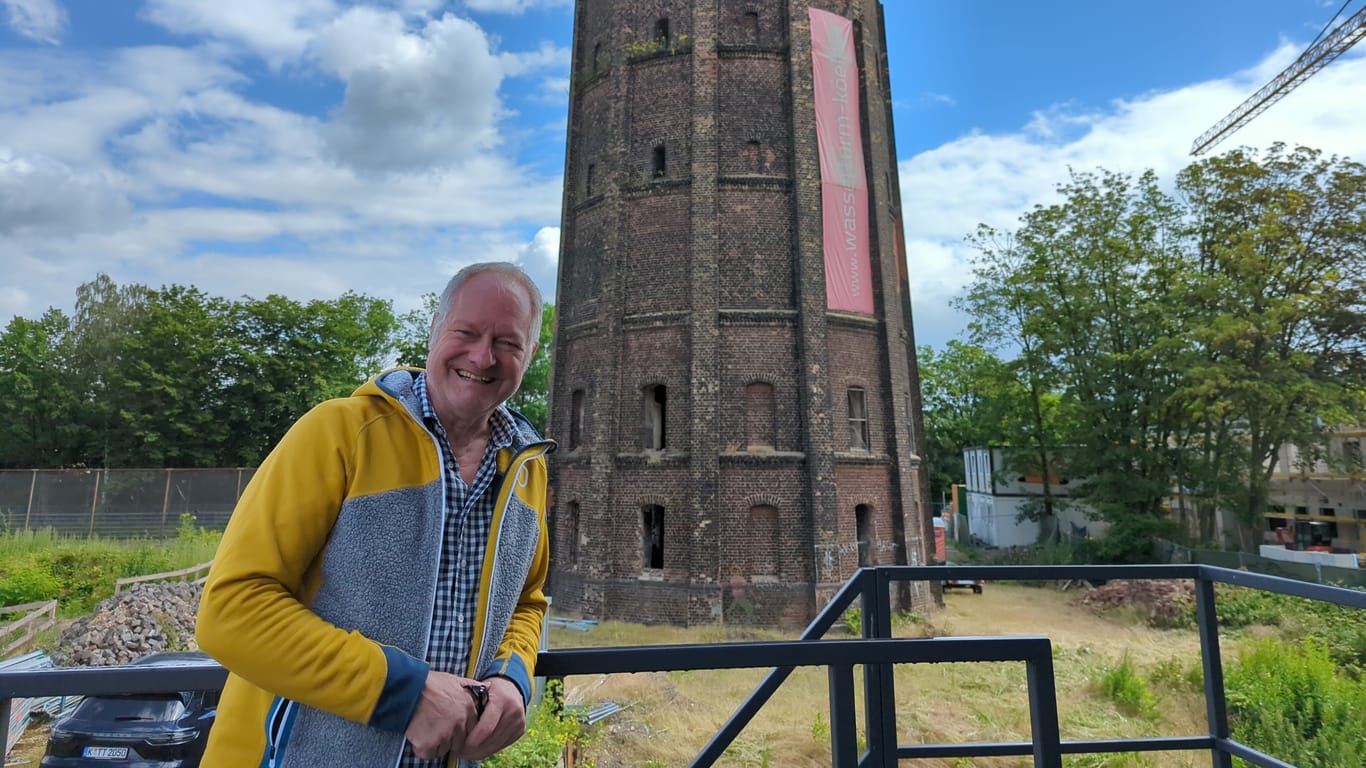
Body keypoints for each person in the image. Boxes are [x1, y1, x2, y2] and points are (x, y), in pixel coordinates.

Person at [196, 262, 555, 767]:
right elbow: (230, 610)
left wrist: (511, 677)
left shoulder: (526, 468)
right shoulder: (339, 433)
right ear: (434, 330)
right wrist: (404, 694)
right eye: (466, 332)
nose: (483, 356)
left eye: (508, 343)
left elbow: (527, 602)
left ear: (531, 354)